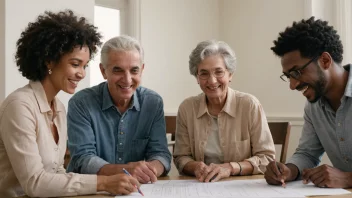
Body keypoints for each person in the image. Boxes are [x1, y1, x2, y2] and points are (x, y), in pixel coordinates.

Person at [0, 10, 140, 197]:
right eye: (75, 64)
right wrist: (104, 182)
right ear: (49, 60)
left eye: (84, 65)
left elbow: (56, 173)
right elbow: (35, 183)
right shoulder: (19, 106)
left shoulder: (58, 108)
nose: (81, 74)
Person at [67, 35, 171, 184]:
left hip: (133, 190)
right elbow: (83, 159)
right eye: (118, 70)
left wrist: (151, 169)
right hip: (90, 189)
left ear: (142, 70)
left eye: (134, 70)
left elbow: (160, 154)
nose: (127, 79)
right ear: (103, 71)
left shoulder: (153, 103)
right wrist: (126, 170)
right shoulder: (81, 103)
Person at [265, 17, 352, 188]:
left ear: (325, 61)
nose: (292, 85)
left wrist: (348, 179)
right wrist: (288, 170)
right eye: (288, 76)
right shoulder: (313, 107)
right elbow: (307, 154)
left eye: (296, 72)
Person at [173, 40, 275, 182]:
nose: (212, 81)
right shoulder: (187, 108)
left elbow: (267, 158)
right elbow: (181, 157)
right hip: (201, 185)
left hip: (242, 187)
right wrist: (196, 167)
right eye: (204, 73)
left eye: (219, 72)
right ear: (196, 77)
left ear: (230, 74)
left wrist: (231, 168)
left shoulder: (249, 105)